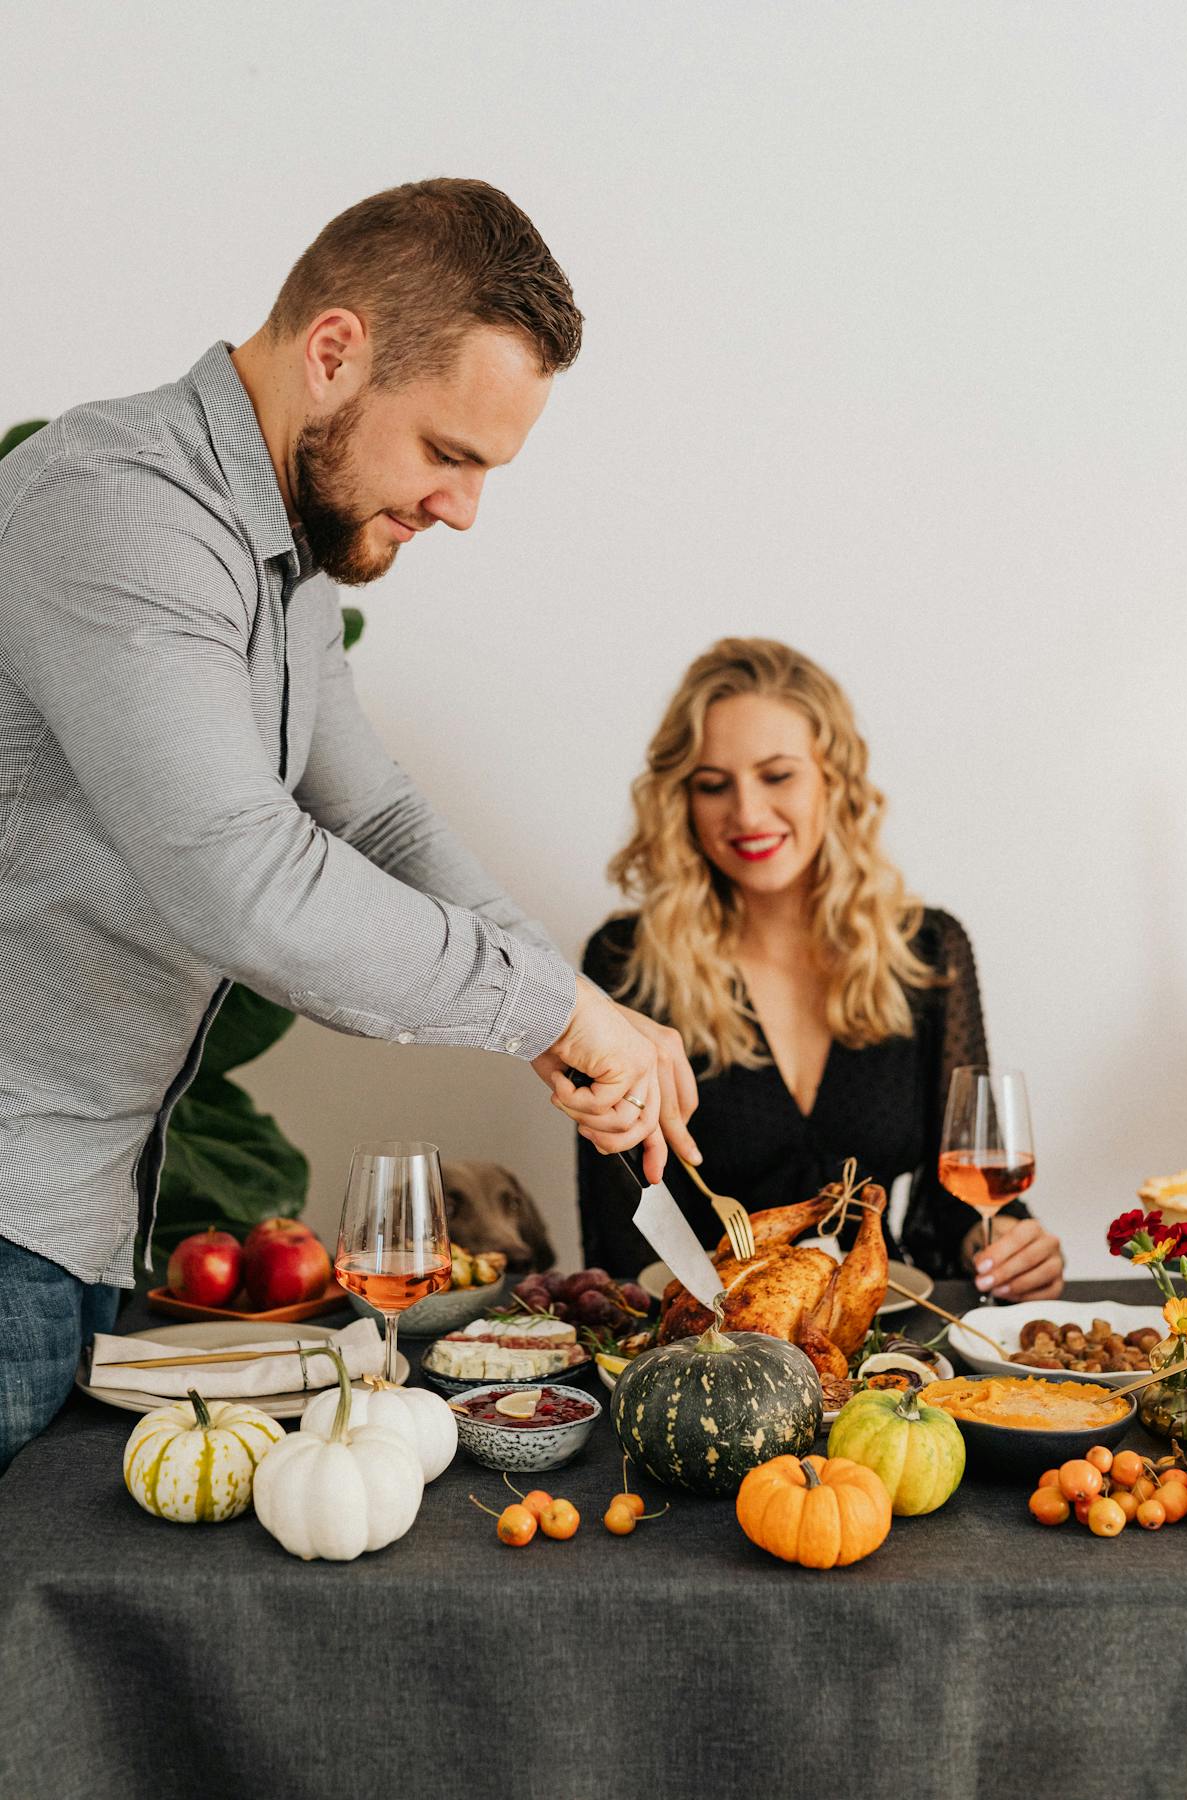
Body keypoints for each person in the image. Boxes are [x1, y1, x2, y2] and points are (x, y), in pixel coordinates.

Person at [0, 179, 698, 1473]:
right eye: (449, 453)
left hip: (74, 1224)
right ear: (335, 352)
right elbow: (241, 881)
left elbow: (371, 814)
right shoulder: (117, 508)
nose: (465, 508)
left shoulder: (284, 558)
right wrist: (551, 1009)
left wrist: (551, 998)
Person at [578, 637, 1065, 1300]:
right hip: (703, 1341)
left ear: (833, 779)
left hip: (891, 1330)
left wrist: (1004, 1245)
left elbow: (959, 1200)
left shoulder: (928, 951)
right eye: (713, 785)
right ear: (681, 802)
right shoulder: (624, 965)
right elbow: (621, 1232)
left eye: (777, 776)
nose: (747, 812)